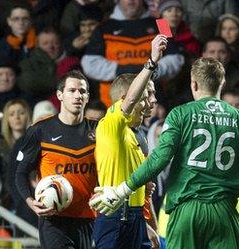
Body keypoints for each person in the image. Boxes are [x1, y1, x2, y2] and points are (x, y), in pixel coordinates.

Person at [89, 57, 239, 248]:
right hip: (225, 213)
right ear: (222, 83)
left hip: (186, 212)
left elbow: (159, 159)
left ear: (193, 84)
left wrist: (123, 189)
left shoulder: (180, 114)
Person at [90, 35, 165, 249]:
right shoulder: (110, 124)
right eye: (147, 95)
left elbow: (144, 190)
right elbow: (131, 99)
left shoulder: (137, 136)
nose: (152, 101)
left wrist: (148, 225)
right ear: (126, 97)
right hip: (113, 216)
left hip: (134, 217)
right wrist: (151, 62)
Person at [15, 70, 98, 248]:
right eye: (72, 90)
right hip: (53, 218)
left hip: (88, 217)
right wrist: (31, 202)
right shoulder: (40, 130)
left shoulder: (99, 130)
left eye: (82, 91)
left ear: (88, 97)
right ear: (60, 95)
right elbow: (21, 173)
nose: (78, 95)